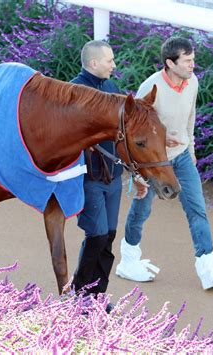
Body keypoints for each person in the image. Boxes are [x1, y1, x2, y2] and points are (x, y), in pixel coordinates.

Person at [115, 37, 213, 290]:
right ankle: (128, 261)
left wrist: (190, 147)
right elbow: (134, 131)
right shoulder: (150, 87)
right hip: (153, 162)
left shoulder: (192, 81)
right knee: (142, 211)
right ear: (170, 63)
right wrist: (138, 171)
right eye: (187, 61)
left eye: (193, 60)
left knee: (197, 209)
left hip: (182, 157)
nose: (193, 65)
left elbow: (190, 117)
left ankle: (208, 269)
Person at [70, 40, 123, 299]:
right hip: (90, 178)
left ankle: (98, 296)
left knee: (110, 235)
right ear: (93, 63)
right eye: (109, 60)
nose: (114, 65)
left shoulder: (112, 87)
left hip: (114, 177)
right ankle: (80, 294)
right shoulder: (74, 92)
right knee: (97, 234)